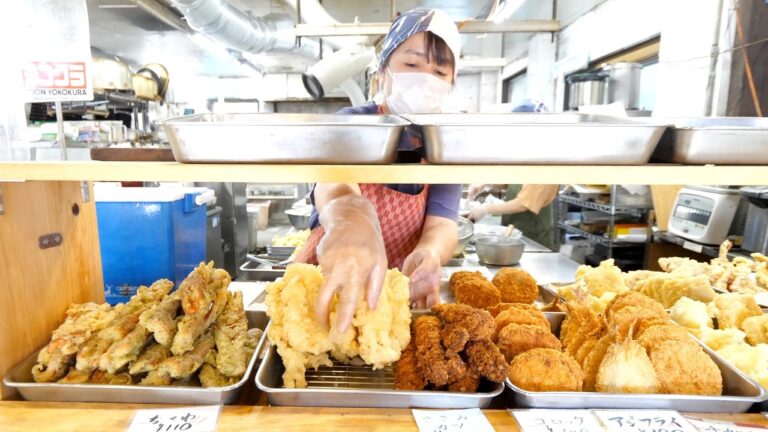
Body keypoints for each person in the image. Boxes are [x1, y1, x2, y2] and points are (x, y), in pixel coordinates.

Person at [294, 8, 462, 332]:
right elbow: (332, 181)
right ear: (384, 69)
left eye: (440, 72)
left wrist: (430, 251)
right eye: (412, 64)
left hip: (390, 294)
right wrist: (349, 214)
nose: (426, 80)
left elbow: (443, 221)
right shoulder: (355, 122)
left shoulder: (442, 143)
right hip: (327, 276)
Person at [467, 184, 559, 250]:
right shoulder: (525, 164)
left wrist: (486, 209)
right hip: (513, 235)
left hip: (533, 237)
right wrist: (485, 184)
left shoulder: (542, 169)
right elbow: (510, 183)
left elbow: (523, 204)